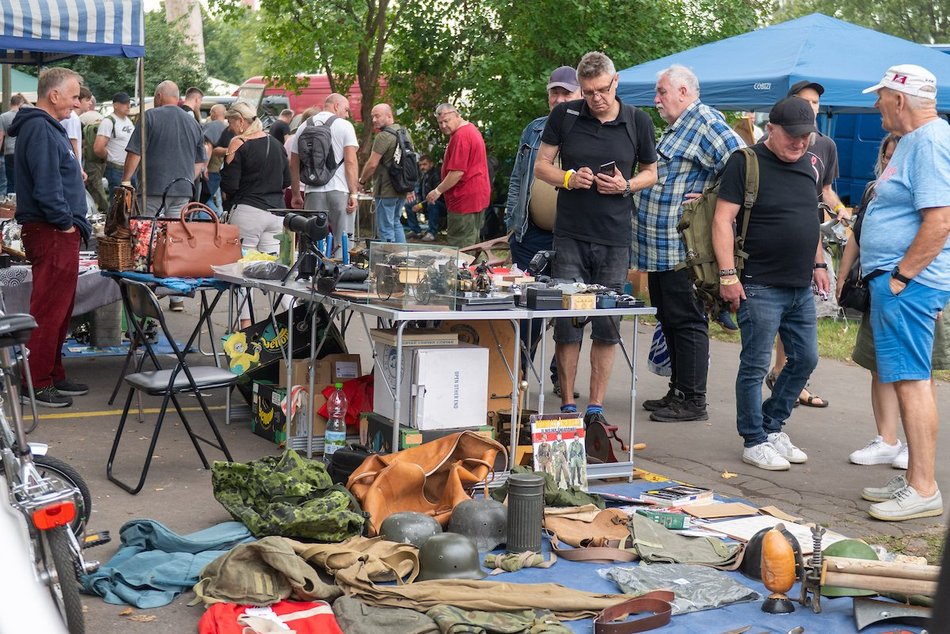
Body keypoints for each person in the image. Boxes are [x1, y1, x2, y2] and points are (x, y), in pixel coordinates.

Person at [533, 51, 658, 428]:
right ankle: (569, 401)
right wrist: (569, 178)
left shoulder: (637, 120)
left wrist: (626, 185)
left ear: (615, 82)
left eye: (601, 90)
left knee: (607, 324)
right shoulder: (565, 115)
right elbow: (541, 166)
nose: (595, 99)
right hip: (570, 234)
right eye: (587, 92)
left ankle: (596, 406)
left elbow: (651, 172)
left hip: (615, 237)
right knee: (569, 323)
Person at [712, 96, 829, 471]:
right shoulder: (745, 162)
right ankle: (754, 439)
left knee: (806, 357)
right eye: (792, 136)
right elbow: (721, 221)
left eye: (806, 136)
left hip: (799, 285)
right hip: (759, 284)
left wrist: (820, 263)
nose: (799, 143)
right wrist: (728, 275)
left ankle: (773, 425)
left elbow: (812, 218)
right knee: (755, 363)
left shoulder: (811, 164)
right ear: (772, 129)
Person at [858, 64, 950, 521]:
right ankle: (915, 476)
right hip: (902, 281)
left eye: (880, 97)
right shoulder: (916, 141)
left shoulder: (930, 141)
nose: (875, 105)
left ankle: (924, 487)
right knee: (910, 378)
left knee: (913, 382)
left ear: (899, 99)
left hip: (910, 284)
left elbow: (940, 220)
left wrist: (901, 277)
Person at [633, 64, 744, 422]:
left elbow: (743, 162)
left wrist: (713, 196)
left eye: (662, 92)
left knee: (687, 320)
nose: (656, 99)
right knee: (668, 317)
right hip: (660, 247)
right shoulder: (680, 126)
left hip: (684, 248)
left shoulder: (704, 121)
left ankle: (694, 400)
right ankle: (678, 391)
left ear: (683, 91)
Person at [9, 67, 91, 407]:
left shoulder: (45, 128)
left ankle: (51, 373)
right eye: (73, 96)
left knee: (60, 308)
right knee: (48, 308)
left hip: (55, 228)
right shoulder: (41, 130)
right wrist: (64, 223)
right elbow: (46, 185)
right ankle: (37, 382)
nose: (77, 102)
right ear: (53, 95)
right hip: (52, 229)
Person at [767, 80, 848, 409]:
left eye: (815, 102)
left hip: (811, 237)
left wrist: (842, 211)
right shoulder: (776, 138)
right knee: (784, 308)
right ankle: (781, 371)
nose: (812, 107)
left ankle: (787, 375)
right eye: (805, 101)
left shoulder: (826, 145)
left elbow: (825, 189)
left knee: (806, 310)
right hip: (778, 238)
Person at [505, 65, 582, 398]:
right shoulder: (534, 130)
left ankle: (559, 377)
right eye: (555, 92)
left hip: (572, 238)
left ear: (580, 94)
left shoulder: (592, 131)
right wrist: (511, 225)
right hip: (530, 235)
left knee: (568, 313)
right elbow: (518, 179)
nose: (559, 98)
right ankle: (518, 378)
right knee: (527, 312)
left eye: (567, 92)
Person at [220, 102, 290, 328]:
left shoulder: (238, 143)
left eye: (230, 122)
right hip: (276, 214)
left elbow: (230, 185)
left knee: (243, 272)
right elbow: (286, 181)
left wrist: (226, 166)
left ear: (241, 121)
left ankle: (246, 327)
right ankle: (298, 318)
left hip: (248, 213)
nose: (229, 128)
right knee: (278, 273)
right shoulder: (276, 144)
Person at [121, 80, 207, 217]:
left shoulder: (149, 116)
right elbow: (199, 161)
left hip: (152, 188)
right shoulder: (194, 123)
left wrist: (126, 180)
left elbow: (135, 152)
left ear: (159, 96)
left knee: (148, 234)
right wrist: (188, 179)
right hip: (183, 191)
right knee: (173, 236)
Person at [289, 93, 359, 259]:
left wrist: (296, 194)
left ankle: (310, 273)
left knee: (311, 238)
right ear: (336, 106)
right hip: (340, 191)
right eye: (346, 109)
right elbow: (350, 161)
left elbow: (293, 164)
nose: (347, 114)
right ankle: (341, 275)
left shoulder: (303, 126)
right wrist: (354, 193)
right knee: (343, 240)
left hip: (313, 192)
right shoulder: (344, 126)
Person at [426, 104, 491, 247]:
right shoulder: (471, 129)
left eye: (446, 121)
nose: (443, 125)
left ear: (457, 115)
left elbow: (457, 172)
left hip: (464, 199)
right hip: (476, 197)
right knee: (474, 243)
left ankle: (463, 269)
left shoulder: (461, 136)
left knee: (461, 247)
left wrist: (438, 191)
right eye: (440, 122)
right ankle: (480, 269)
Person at [358, 103, 414, 243]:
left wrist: (361, 181)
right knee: (396, 223)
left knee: (385, 228)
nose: (374, 120)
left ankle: (389, 261)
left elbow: (372, 164)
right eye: (372, 117)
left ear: (389, 116)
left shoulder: (383, 137)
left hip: (386, 190)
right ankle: (401, 259)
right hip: (401, 187)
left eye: (377, 116)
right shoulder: (404, 132)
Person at [96, 92, 136, 196]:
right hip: (116, 169)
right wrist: (110, 158)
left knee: (132, 203)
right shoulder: (108, 121)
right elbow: (98, 148)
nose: (128, 106)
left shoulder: (128, 121)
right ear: (115, 105)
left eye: (129, 103)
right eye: (124, 103)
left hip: (130, 168)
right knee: (118, 204)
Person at [404, 154, 443, 241]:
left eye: (425, 164)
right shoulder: (423, 176)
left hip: (439, 204)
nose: (422, 167)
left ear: (431, 164)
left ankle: (431, 232)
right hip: (425, 203)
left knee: (433, 204)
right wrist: (418, 202)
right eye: (420, 165)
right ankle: (416, 230)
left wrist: (421, 205)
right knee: (409, 204)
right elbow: (419, 192)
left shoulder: (436, 175)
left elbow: (436, 196)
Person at [202, 103, 229, 210]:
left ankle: (218, 219)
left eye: (211, 111)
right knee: (216, 199)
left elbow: (208, 147)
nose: (209, 114)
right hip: (220, 169)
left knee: (205, 200)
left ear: (215, 113)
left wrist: (204, 167)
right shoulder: (227, 129)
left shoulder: (213, 126)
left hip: (210, 170)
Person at [0, 94, 28, 194]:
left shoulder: (3, 117)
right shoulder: (24, 116)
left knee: (10, 182)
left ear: (10, 103)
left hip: (9, 152)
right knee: (23, 181)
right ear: (21, 103)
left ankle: (10, 207)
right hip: (23, 152)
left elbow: (0, 138)